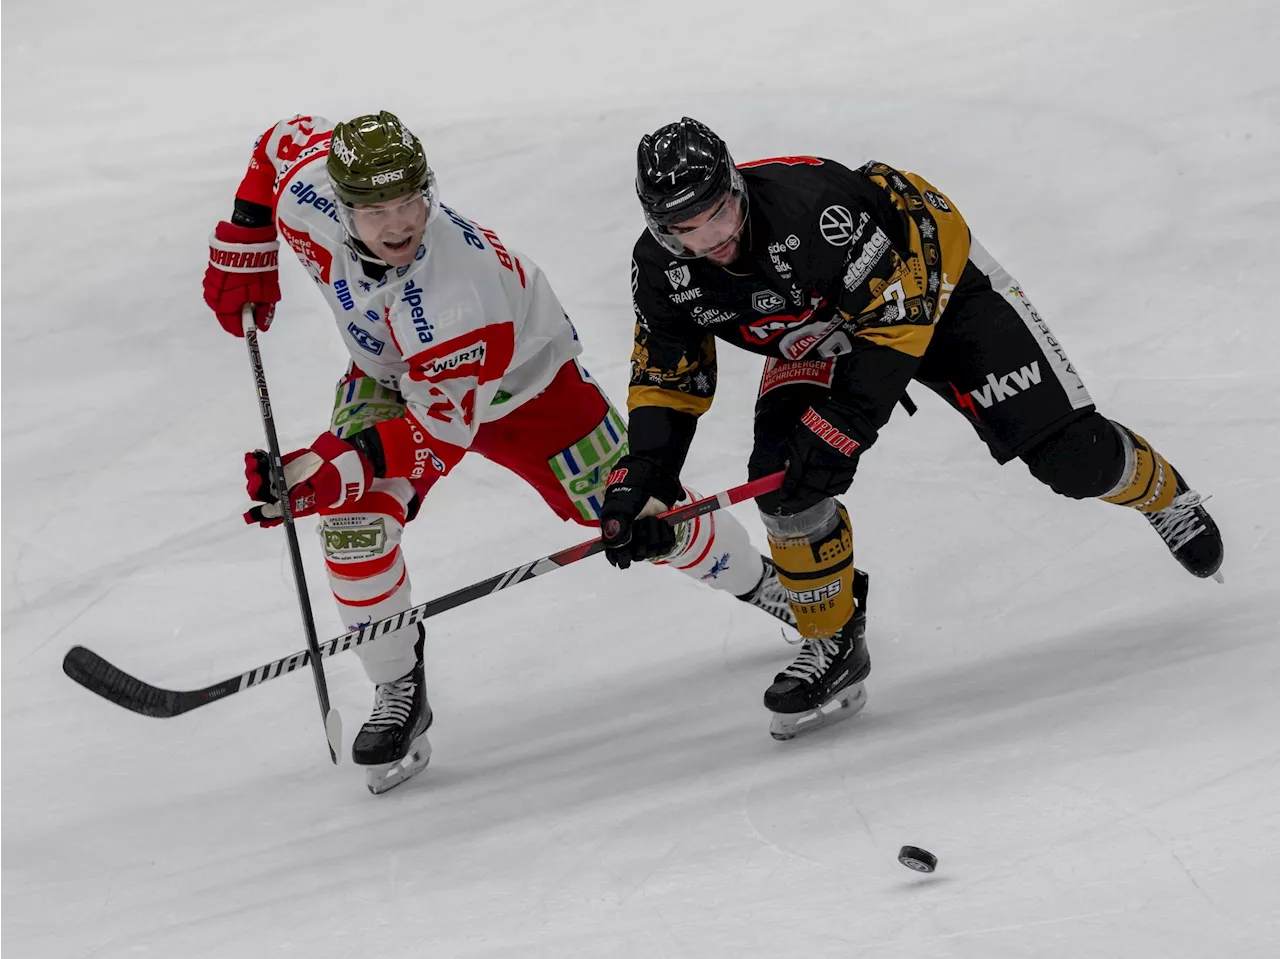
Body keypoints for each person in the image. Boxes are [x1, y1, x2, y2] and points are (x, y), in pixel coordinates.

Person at [202, 112, 794, 792]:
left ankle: (766, 583)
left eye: (411, 202)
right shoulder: (306, 191)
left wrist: (327, 469)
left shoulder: (456, 292)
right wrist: (247, 235)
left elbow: (434, 438)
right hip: (392, 372)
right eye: (377, 211)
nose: (399, 225)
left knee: (638, 508)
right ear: (339, 207)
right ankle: (399, 685)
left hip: (527, 389)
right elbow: (282, 140)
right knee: (353, 523)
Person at [600, 117, 1224, 741]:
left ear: (736, 188)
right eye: (685, 230)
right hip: (821, 329)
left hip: (934, 288)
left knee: (1071, 460)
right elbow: (667, 379)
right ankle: (833, 639)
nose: (711, 241)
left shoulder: (814, 211)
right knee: (782, 478)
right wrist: (646, 478)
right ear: (659, 227)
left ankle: (1162, 492)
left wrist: (842, 428)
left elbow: (897, 325)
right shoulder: (661, 269)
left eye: (718, 216)